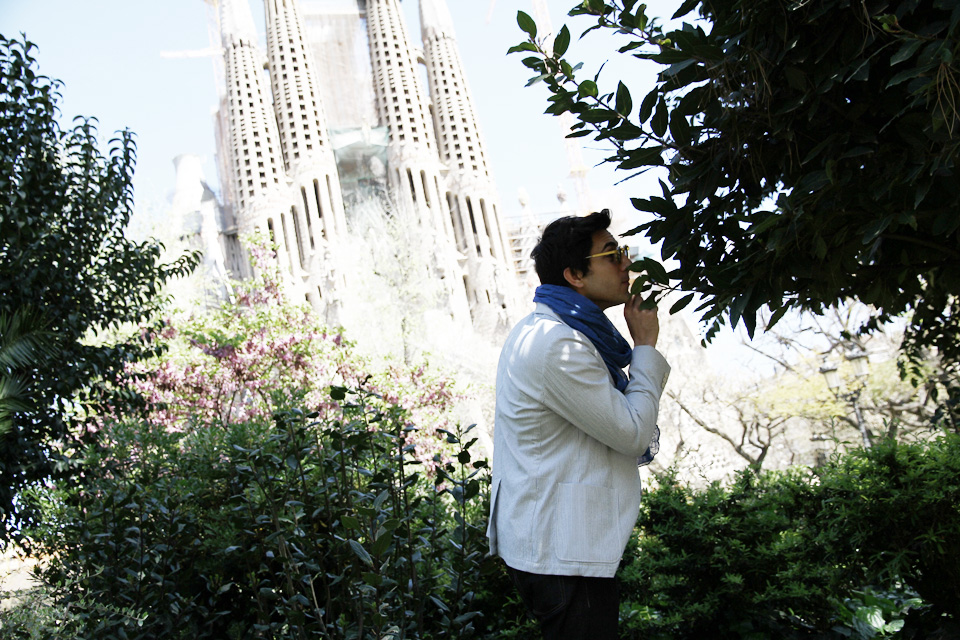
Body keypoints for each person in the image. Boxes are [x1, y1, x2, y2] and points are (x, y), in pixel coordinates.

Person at [487, 209, 670, 639]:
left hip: (560, 547)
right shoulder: (556, 344)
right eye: (612, 255)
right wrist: (644, 346)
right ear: (574, 275)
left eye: (622, 251)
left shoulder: (565, 333)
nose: (627, 264)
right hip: (560, 554)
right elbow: (632, 432)